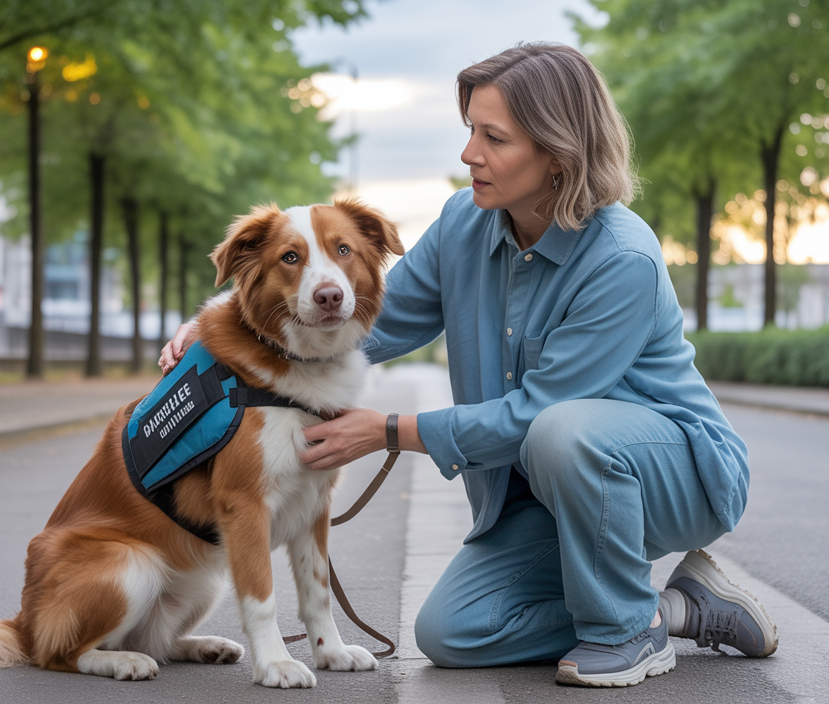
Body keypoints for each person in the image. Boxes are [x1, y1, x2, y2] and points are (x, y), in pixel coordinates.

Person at [160, 42, 776, 688]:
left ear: (558, 154)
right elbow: (365, 322)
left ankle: (624, 630)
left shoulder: (621, 259)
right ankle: (675, 608)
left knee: (560, 432)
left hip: (668, 475)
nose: (469, 154)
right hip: (542, 492)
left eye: (494, 138)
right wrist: (217, 332)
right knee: (451, 630)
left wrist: (389, 430)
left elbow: (536, 416)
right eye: (470, 131)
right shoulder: (465, 222)